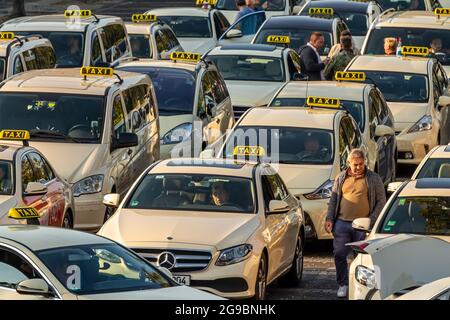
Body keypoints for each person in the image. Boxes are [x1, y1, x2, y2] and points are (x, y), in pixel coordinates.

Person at [325, 149, 386, 298]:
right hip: (342, 223)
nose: (358, 167)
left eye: (361, 164)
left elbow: (381, 201)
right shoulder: (341, 178)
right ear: (349, 163)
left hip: (363, 225)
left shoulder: (373, 178)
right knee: (339, 254)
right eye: (355, 165)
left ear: (364, 162)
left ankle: (360, 286)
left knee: (362, 258)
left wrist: (371, 219)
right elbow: (333, 200)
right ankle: (343, 284)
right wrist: (329, 219)